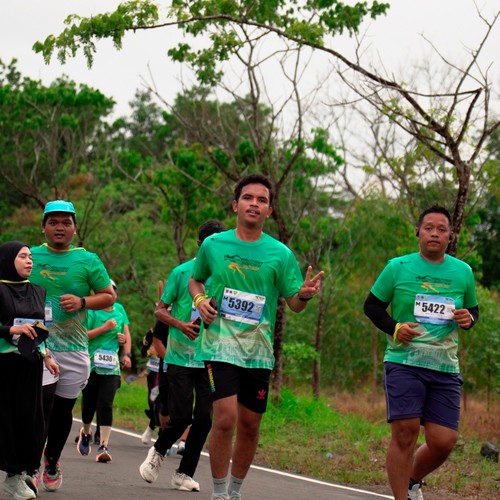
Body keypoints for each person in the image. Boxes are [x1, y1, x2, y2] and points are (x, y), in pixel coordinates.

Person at [188, 174, 324, 500]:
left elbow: (294, 304)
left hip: (257, 351)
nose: (254, 204)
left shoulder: (280, 254)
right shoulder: (213, 245)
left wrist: (304, 295)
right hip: (219, 345)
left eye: (262, 200)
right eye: (248, 198)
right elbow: (196, 280)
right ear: (235, 205)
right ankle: (218, 493)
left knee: (249, 425)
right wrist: (200, 301)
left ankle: (234, 491)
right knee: (225, 418)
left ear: (269, 211)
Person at [363, 205, 479, 500]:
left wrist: (469, 319)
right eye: (429, 228)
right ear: (418, 232)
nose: (434, 234)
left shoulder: (463, 272)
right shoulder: (397, 267)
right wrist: (395, 327)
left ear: (451, 236)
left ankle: (412, 480)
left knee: (444, 441)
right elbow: (372, 306)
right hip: (404, 361)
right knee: (405, 432)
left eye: (442, 229)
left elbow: (472, 310)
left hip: (444, 367)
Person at [29, 200, 115, 492]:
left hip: (74, 347)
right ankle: (31, 465)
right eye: (53, 222)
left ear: (74, 228)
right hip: (38, 344)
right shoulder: (30, 256)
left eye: (66, 223)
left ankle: (52, 459)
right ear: (43, 227)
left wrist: (82, 302)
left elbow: (109, 296)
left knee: (62, 410)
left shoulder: (87, 260)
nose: (60, 228)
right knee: (42, 404)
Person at [139, 219, 226, 491]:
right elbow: (160, 310)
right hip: (179, 358)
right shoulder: (181, 272)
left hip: (211, 359)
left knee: (204, 418)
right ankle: (158, 451)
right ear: (200, 246)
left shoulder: (227, 275)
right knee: (181, 417)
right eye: (211, 244)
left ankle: (184, 473)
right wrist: (181, 325)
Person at [0, 241, 59, 500]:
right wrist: (11, 329)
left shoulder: (39, 291)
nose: (29, 261)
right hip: (4, 365)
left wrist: (46, 357)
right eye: (23, 256)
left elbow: (39, 328)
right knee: (7, 421)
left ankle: (25, 469)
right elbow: (12, 328)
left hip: (31, 363)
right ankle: (13, 477)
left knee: (32, 421)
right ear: (8, 259)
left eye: (30, 257)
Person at [76, 279, 131, 463]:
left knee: (106, 403)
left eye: (113, 291)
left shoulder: (119, 310)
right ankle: (85, 432)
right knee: (89, 404)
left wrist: (124, 344)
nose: (111, 294)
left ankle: (103, 446)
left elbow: (125, 333)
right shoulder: (91, 311)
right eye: (107, 291)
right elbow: (83, 336)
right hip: (91, 364)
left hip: (111, 367)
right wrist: (104, 328)